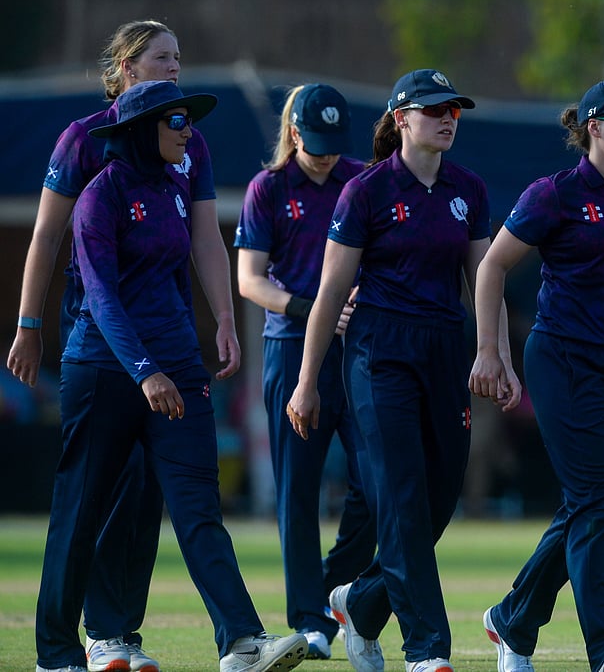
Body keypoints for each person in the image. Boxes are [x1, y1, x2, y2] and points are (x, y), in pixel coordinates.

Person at [36, 80, 310, 672]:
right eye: (176, 120)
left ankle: (241, 642)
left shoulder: (176, 187)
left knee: (197, 509)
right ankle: (57, 654)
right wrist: (143, 371)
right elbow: (103, 300)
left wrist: (217, 327)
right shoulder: (98, 198)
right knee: (80, 514)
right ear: (141, 129)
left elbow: (203, 252)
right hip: (105, 370)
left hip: (179, 370)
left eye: (188, 120)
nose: (188, 130)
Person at [286, 68, 518, 672]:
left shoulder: (467, 187)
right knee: (403, 498)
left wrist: (494, 353)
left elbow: (482, 281)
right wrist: (308, 380)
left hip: (444, 348)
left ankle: (360, 605)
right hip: (378, 352)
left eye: (455, 111)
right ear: (400, 119)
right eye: (435, 109)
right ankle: (427, 649)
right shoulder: (364, 192)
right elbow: (332, 291)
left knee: (440, 499)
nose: (448, 119)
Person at [12, 20, 219, 672]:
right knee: (86, 499)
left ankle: (113, 635)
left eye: (179, 59)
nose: (174, 69)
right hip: (99, 349)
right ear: (127, 67)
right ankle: (58, 645)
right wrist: (27, 323)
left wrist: (224, 322)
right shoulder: (83, 142)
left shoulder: (190, 144)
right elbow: (46, 238)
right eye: (161, 58)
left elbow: (207, 239)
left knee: (143, 499)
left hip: (168, 344)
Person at [470, 80, 604, 672]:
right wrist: (490, 352)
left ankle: (514, 619)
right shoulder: (554, 194)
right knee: (593, 502)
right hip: (561, 359)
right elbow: (492, 267)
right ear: (595, 129)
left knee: (589, 502)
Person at [234, 83, 377, 660]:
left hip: (359, 352)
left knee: (376, 483)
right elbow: (250, 278)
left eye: (332, 143)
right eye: (314, 142)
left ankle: (330, 587)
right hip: (292, 346)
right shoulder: (268, 189)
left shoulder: (361, 181)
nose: (324, 154)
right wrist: (311, 308)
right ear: (294, 133)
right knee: (298, 490)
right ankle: (308, 618)